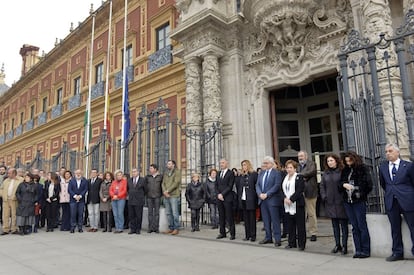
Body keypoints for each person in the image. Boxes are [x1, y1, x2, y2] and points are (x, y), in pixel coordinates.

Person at [379, 143, 414, 261]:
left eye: (390, 151)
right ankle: (397, 252)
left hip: (407, 201)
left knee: (413, 227)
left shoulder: (408, 166)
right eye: (386, 152)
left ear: (397, 152)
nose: (387, 154)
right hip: (391, 201)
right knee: (395, 228)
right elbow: (383, 184)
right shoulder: (383, 167)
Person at [340, 151, 373, 259]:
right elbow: (340, 184)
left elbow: (368, 185)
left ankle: (365, 250)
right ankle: (358, 249)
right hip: (348, 201)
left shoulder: (362, 168)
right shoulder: (345, 170)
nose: (348, 163)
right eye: (346, 161)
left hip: (358, 201)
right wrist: (343, 184)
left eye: (350, 161)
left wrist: (356, 189)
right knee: (354, 226)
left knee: (361, 225)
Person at [320, 154, 348, 255]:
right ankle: (337, 244)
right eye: (328, 161)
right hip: (330, 202)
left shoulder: (341, 171)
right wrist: (324, 196)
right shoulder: (326, 173)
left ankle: (345, 245)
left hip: (340, 202)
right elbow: (322, 186)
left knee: (343, 225)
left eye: (331, 160)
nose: (330, 163)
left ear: (336, 161)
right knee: (335, 225)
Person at [256, 156, 283, 247]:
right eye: (264, 163)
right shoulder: (261, 173)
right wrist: (260, 194)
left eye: (266, 163)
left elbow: (276, 186)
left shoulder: (276, 173)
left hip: (272, 200)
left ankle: (277, 239)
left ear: (271, 164)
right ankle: (268, 237)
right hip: (263, 200)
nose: (264, 165)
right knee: (266, 220)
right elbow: (257, 185)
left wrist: (267, 194)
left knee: (275, 220)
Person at [282, 160, 306, 250]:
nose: (289, 169)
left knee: (300, 226)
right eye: (287, 167)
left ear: (295, 168)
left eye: (290, 168)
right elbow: (281, 190)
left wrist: (291, 199)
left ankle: (301, 244)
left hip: (297, 204)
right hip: (287, 204)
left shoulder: (299, 177)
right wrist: (284, 198)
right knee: (290, 225)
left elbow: (300, 190)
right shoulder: (285, 178)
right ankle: (291, 243)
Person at [297, 150, 318, 242]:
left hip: (310, 192)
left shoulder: (312, 164)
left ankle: (313, 233)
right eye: (299, 156)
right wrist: (302, 176)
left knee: (311, 214)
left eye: (301, 156)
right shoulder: (297, 166)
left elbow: (311, 172)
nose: (300, 158)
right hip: (300, 193)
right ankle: (302, 232)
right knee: (301, 214)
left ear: (306, 156)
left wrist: (299, 175)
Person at [236, 160, 258, 242]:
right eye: (242, 165)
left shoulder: (253, 174)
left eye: (245, 165)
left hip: (251, 199)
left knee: (252, 218)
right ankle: (247, 235)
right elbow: (239, 188)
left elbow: (256, 186)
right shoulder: (241, 176)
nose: (243, 167)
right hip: (243, 198)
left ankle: (253, 235)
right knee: (245, 218)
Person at [216, 158, 236, 240]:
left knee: (229, 216)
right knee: (221, 216)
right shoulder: (218, 173)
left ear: (227, 163)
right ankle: (222, 232)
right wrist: (218, 194)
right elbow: (216, 185)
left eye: (223, 163)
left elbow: (230, 186)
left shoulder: (230, 173)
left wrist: (222, 194)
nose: (221, 164)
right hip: (219, 198)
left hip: (227, 197)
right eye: (220, 163)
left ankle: (232, 233)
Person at [162, 160, 182, 235]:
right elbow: (163, 183)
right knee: (168, 213)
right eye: (167, 164)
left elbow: (176, 182)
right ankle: (171, 227)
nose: (168, 165)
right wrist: (164, 191)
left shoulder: (177, 172)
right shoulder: (166, 173)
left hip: (173, 195)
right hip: (166, 195)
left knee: (174, 212)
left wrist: (168, 191)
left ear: (173, 165)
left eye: (169, 164)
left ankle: (176, 228)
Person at [0, 168, 23, 235]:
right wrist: (3, 195)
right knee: (5, 215)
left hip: (14, 200)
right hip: (6, 200)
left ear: (14, 173)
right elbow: (1, 188)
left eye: (9, 173)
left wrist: (17, 197)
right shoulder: (6, 180)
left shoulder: (20, 180)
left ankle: (14, 229)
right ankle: (5, 229)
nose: (8, 174)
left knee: (14, 215)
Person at [68, 169, 88, 233]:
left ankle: (80, 227)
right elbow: (69, 190)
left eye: (79, 173)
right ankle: (72, 227)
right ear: (74, 174)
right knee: (73, 214)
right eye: (77, 173)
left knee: (80, 214)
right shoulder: (71, 181)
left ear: (81, 173)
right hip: (73, 200)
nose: (78, 174)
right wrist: (75, 196)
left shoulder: (84, 181)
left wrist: (80, 196)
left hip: (81, 200)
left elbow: (85, 189)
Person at [144, 164, 163, 233]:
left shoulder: (160, 177)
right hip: (149, 197)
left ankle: (156, 228)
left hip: (157, 197)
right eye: (150, 168)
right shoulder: (147, 177)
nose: (150, 170)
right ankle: (150, 227)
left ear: (155, 169)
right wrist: (146, 194)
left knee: (157, 213)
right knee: (150, 213)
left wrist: (162, 194)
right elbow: (145, 186)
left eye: (151, 168)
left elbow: (162, 186)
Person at [127, 168, 145, 234]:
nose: (133, 173)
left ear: (138, 172)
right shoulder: (129, 180)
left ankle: (138, 229)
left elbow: (145, 189)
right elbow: (128, 189)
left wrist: (141, 196)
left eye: (134, 172)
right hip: (131, 200)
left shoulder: (142, 180)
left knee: (138, 215)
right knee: (131, 215)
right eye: (132, 172)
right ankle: (132, 229)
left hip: (139, 200)